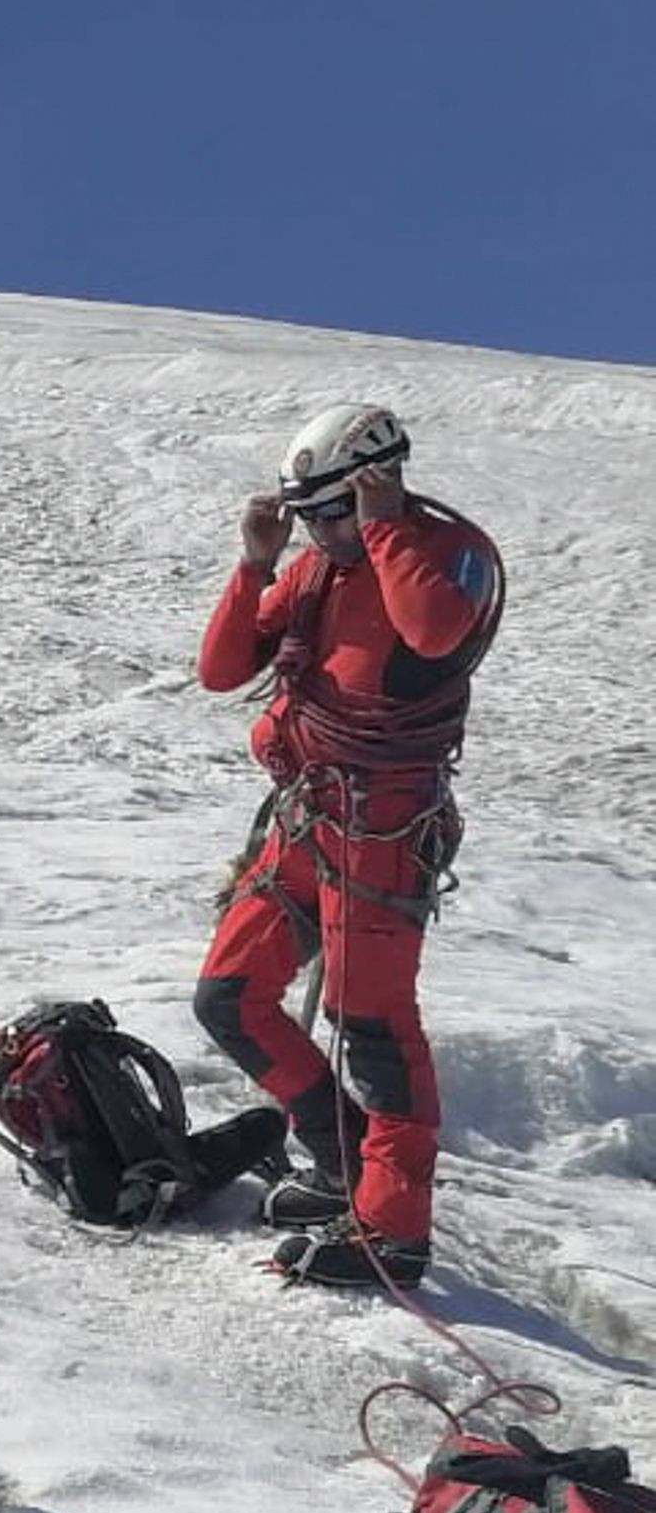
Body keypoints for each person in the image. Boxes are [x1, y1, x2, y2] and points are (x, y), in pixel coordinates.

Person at [190, 406, 505, 1291]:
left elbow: (436, 632)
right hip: (304, 817)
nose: (322, 533)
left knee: (373, 1031)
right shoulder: (317, 571)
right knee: (228, 996)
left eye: (332, 513)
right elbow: (223, 667)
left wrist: (383, 526)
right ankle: (345, 1164)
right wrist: (257, 562)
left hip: (383, 830)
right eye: (312, 518)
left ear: (379, 480)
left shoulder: (445, 556)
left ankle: (393, 1230)